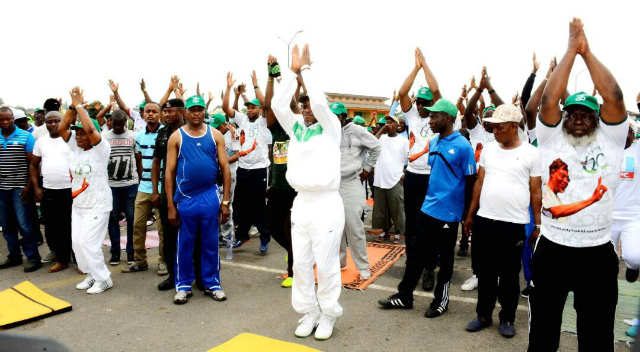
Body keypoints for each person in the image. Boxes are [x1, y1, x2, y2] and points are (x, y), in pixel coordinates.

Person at [528, 18, 627, 352]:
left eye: (587, 113)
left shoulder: (612, 139)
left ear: (598, 118)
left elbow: (614, 95)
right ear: (565, 116)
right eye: (573, 112)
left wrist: (587, 51)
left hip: (597, 253)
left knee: (596, 337)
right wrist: (571, 50)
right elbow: (547, 102)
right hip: (553, 248)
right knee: (543, 332)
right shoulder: (551, 137)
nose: (580, 117)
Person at [272, 44, 345, 340]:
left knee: (326, 263)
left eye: (309, 104)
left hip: (327, 204)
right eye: (302, 104)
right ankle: (308, 312)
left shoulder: (331, 127)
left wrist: (305, 69)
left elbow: (319, 102)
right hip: (301, 203)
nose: (306, 107)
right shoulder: (296, 129)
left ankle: (328, 313)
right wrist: (290, 73)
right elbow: (278, 106)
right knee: (300, 263)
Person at [378, 99, 476, 319]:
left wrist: (467, 217)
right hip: (427, 209)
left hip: (449, 215)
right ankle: (405, 296)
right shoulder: (433, 142)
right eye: (430, 116)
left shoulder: (463, 146)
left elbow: (471, 183)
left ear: (449, 118)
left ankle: (440, 301)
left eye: (435, 116)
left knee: (445, 260)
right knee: (415, 255)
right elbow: (437, 175)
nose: (430, 120)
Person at [462, 104, 542, 338]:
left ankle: (507, 317)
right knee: (485, 272)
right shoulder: (488, 149)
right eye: (493, 126)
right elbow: (479, 182)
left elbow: (536, 191)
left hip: (514, 223)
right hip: (485, 220)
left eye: (500, 126)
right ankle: (483, 315)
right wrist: (470, 214)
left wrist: (537, 224)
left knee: (509, 275)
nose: (494, 130)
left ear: (514, 127)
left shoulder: (531, 153)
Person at [165, 95, 231, 304]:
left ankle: (212, 283)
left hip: (209, 196)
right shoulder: (176, 137)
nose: (196, 113)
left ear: (204, 112)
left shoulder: (216, 135)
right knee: (185, 244)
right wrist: (170, 205)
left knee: (211, 243)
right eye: (192, 109)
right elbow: (169, 172)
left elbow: (225, 169)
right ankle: (183, 285)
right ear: (186, 112)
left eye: (199, 109)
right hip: (185, 198)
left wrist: (226, 201)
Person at [59, 87, 113, 294]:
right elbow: (63, 128)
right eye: (77, 133)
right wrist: (72, 105)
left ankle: (104, 278)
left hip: (98, 204)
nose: (79, 136)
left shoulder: (101, 148)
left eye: (82, 133)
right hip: (79, 204)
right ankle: (92, 275)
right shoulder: (75, 147)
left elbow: (91, 131)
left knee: (89, 243)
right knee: (78, 244)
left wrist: (80, 106)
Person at [397, 47, 442, 292]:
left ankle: (429, 268)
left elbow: (436, 91)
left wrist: (425, 66)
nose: (423, 106)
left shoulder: (437, 116)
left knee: (430, 225)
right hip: (413, 176)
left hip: (432, 177)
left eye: (427, 103)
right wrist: (414, 68)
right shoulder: (413, 115)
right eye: (420, 102)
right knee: (412, 225)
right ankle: (413, 261)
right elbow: (403, 92)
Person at [223, 73, 272, 254]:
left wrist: (256, 84)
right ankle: (242, 235)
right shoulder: (242, 119)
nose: (250, 110)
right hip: (243, 168)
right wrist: (229, 88)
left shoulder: (264, 121)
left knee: (259, 205)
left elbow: (266, 103)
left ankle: (264, 237)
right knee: (241, 205)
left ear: (259, 109)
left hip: (259, 170)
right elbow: (225, 108)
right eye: (248, 107)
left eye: (253, 107)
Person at [335, 101, 381, 279]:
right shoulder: (329, 130)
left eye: (337, 117)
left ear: (344, 116)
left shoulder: (357, 130)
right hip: (332, 185)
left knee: (354, 226)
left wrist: (367, 167)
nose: (334, 120)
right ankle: (340, 261)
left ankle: (363, 266)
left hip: (351, 183)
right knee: (335, 226)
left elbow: (376, 146)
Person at [263, 56, 297, 287]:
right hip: (277, 187)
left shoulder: (297, 129)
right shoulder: (276, 131)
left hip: (295, 188)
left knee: (291, 228)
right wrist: (269, 76)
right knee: (273, 227)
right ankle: (295, 253)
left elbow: (291, 104)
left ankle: (294, 272)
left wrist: (283, 79)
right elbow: (267, 106)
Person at [124, 102, 165, 274]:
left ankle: (164, 261)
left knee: (163, 229)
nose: (150, 114)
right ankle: (140, 261)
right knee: (137, 225)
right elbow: (139, 161)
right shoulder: (139, 137)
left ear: (160, 114)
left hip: (162, 187)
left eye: (154, 111)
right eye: (147, 111)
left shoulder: (165, 134)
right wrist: (142, 181)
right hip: (143, 187)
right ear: (142, 115)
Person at [29, 111, 72, 273]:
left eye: (56, 121)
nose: (53, 124)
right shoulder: (41, 141)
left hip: (70, 190)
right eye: (49, 121)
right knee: (53, 227)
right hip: (49, 190)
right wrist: (37, 188)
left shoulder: (70, 139)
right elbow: (33, 165)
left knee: (70, 225)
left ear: (63, 121)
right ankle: (61, 259)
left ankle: (76, 258)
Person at [0, 106, 42, 272]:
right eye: (1, 119)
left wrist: (29, 186)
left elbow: (33, 165)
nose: (5, 122)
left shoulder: (26, 137)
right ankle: (14, 256)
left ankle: (33, 258)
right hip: (2, 190)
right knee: (7, 225)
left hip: (20, 189)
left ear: (13, 119)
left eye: (8, 118)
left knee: (25, 225)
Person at [152, 98, 185, 291]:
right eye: (164, 111)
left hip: (188, 191)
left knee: (190, 234)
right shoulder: (163, 133)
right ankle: (173, 276)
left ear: (181, 112)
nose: (166, 115)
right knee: (169, 235)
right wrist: (155, 190)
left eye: (170, 111)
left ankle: (196, 274)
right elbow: (157, 163)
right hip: (167, 192)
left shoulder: (191, 131)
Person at [103, 110, 139, 266]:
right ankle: (115, 253)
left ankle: (131, 253)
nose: (118, 127)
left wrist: (138, 178)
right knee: (113, 219)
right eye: (115, 124)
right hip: (111, 186)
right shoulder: (105, 137)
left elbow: (138, 158)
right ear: (110, 122)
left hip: (130, 185)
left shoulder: (132, 136)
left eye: (121, 124)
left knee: (132, 219)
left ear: (125, 122)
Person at [372, 115, 408, 244]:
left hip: (395, 178)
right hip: (380, 179)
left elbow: (407, 159)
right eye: (386, 122)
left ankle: (399, 233)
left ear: (398, 125)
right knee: (381, 209)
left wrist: (403, 174)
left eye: (391, 123)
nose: (388, 125)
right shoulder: (381, 138)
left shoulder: (403, 141)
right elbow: (372, 142)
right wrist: (382, 129)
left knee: (397, 208)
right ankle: (384, 232)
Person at [611, 122, 640, 282]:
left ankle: (633, 266)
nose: (625, 134)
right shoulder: (606, 151)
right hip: (608, 217)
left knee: (635, 257)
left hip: (634, 216)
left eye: (628, 131)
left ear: (633, 134)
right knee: (606, 262)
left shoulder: (637, 150)